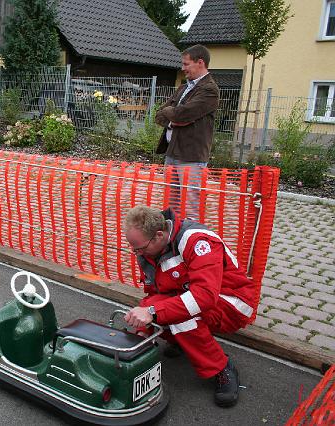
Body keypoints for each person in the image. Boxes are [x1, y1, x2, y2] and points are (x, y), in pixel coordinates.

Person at [123, 206, 258, 408]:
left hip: (233, 302)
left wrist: (152, 313)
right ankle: (180, 341)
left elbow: (203, 297)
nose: (137, 253)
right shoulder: (150, 248)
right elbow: (156, 295)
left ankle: (222, 369)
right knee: (152, 306)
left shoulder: (197, 241)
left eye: (140, 248)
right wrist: (143, 332)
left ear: (159, 235)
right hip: (200, 297)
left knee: (179, 317)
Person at [155, 44, 219, 221]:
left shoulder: (209, 90)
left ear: (200, 62)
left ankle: (191, 242)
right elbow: (159, 115)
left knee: (190, 208)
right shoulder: (184, 88)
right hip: (172, 152)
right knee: (171, 207)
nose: (182, 68)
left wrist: (176, 114)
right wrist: (175, 117)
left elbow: (181, 114)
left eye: (186, 64)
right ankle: (174, 242)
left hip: (191, 157)